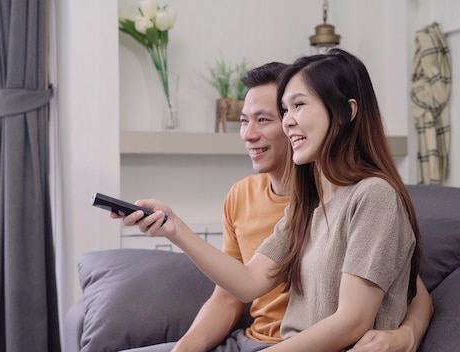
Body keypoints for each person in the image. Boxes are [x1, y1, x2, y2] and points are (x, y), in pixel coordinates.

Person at [119, 52, 430, 351]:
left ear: (346, 112)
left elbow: (356, 318)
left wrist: (409, 333)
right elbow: (249, 281)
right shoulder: (309, 204)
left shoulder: (374, 196)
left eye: (297, 105)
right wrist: (174, 229)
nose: (288, 121)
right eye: (285, 110)